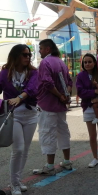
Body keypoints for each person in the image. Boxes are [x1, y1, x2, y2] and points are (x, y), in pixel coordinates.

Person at [0, 44, 38, 195]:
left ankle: (17, 179)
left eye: (29, 55)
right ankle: (14, 184)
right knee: (18, 149)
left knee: (24, 150)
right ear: (16, 56)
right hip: (13, 115)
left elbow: (32, 89)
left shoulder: (33, 72)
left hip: (31, 115)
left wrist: (19, 97)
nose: (27, 57)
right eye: (24, 54)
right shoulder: (6, 72)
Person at [32, 39, 73, 176]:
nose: (40, 51)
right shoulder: (61, 62)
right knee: (63, 131)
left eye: (41, 48)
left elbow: (47, 83)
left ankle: (50, 165)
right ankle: (67, 161)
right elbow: (69, 81)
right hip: (60, 105)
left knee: (48, 132)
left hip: (48, 104)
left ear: (48, 49)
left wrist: (59, 96)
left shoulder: (45, 62)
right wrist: (65, 95)